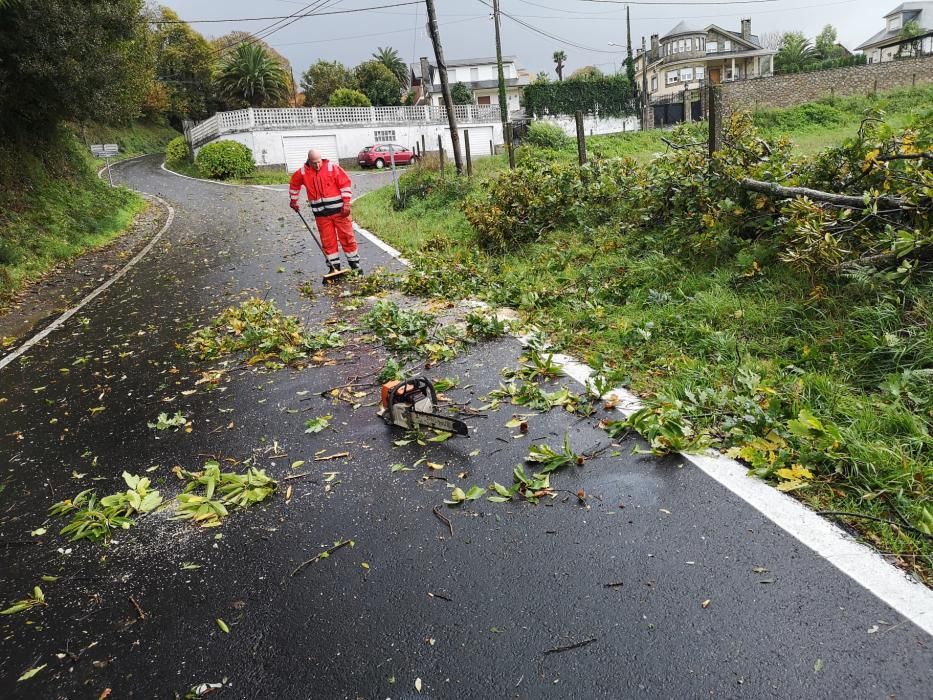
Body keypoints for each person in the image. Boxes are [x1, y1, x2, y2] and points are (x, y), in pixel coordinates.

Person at [289, 149, 362, 274]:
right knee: (328, 241)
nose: (317, 165)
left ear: (321, 159)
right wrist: (294, 201)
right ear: (308, 161)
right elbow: (294, 185)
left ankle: (355, 264)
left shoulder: (332, 168)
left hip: (340, 212)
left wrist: (346, 204)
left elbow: (345, 185)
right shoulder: (303, 172)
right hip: (321, 215)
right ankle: (334, 267)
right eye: (313, 163)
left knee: (347, 237)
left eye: (318, 162)